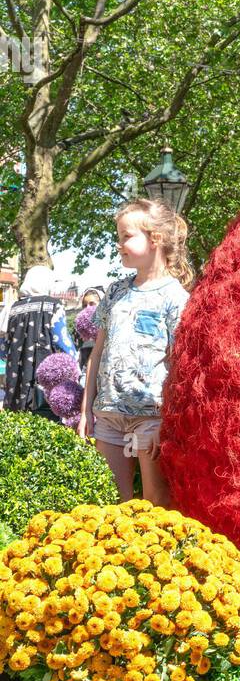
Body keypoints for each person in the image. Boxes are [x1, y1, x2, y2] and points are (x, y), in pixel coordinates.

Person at [78, 200, 193, 505]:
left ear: (155, 238)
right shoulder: (115, 291)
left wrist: (166, 422)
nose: (119, 245)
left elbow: (180, 366)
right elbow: (97, 352)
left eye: (126, 236)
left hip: (151, 418)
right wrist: (85, 409)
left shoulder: (175, 297)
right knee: (109, 504)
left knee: (156, 504)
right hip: (109, 415)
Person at [2, 266, 77, 416]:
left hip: (15, 379)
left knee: (18, 422)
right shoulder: (54, 305)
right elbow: (61, 340)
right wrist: (75, 361)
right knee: (45, 422)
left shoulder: (12, 308)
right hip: (45, 376)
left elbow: (3, 348)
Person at [72, 286, 103, 373]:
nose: (88, 307)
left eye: (92, 303)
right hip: (86, 369)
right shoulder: (79, 324)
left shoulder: (108, 324)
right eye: (85, 305)